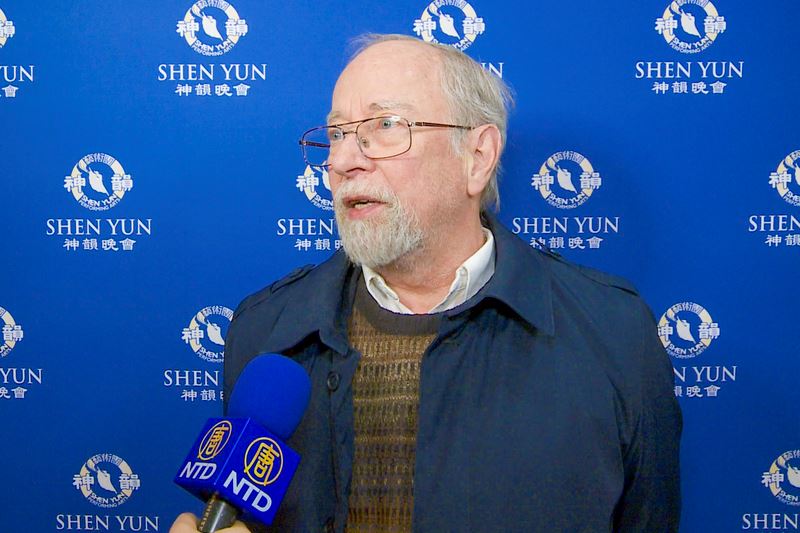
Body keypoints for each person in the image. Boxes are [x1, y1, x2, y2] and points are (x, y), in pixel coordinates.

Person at [171, 33, 681, 533]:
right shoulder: (265, 332)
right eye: (337, 133)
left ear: (477, 156)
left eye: (385, 125)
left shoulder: (614, 333)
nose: (343, 161)